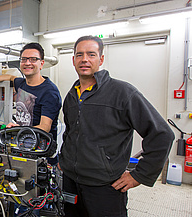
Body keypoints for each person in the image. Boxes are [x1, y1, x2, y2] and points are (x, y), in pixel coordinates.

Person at [60, 35, 174, 216]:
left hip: (105, 186)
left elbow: (162, 134)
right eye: (79, 55)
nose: (85, 60)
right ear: (73, 60)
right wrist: (63, 160)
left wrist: (139, 175)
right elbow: (70, 132)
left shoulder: (123, 93)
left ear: (101, 59)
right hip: (70, 182)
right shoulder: (71, 96)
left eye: (91, 54)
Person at [0, 42, 61, 142]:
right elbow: (10, 77)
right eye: (24, 59)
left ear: (41, 63)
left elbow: (45, 126)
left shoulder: (49, 92)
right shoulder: (22, 84)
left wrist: (19, 130)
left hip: (41, 150)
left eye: (33, 59)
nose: (27, 63)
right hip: (23, 145)